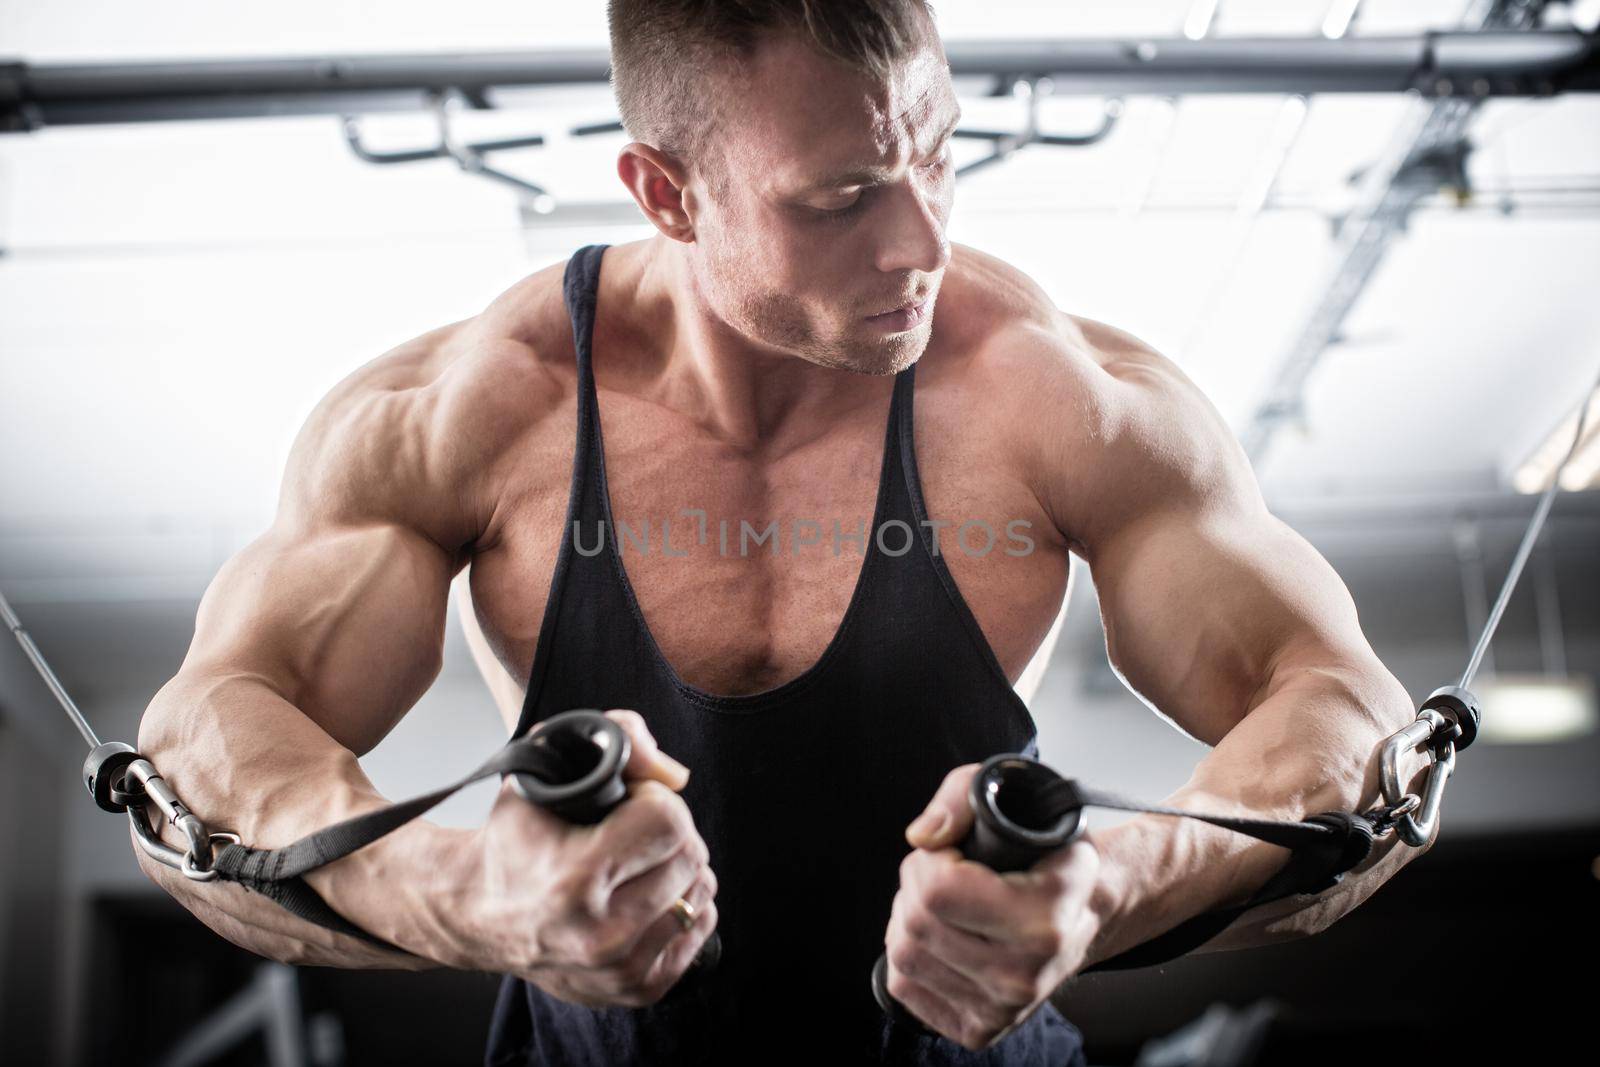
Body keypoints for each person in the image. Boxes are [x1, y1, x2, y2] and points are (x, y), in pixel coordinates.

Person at [134, 2, 1431, 1064]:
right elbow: (203, 752)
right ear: (666, 193)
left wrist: (1109, 885)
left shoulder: (1057, 402)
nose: (924, 237)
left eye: (941, 152)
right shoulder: (469, 416)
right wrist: (465, 895)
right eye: (844, 196)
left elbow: (1351, 720)